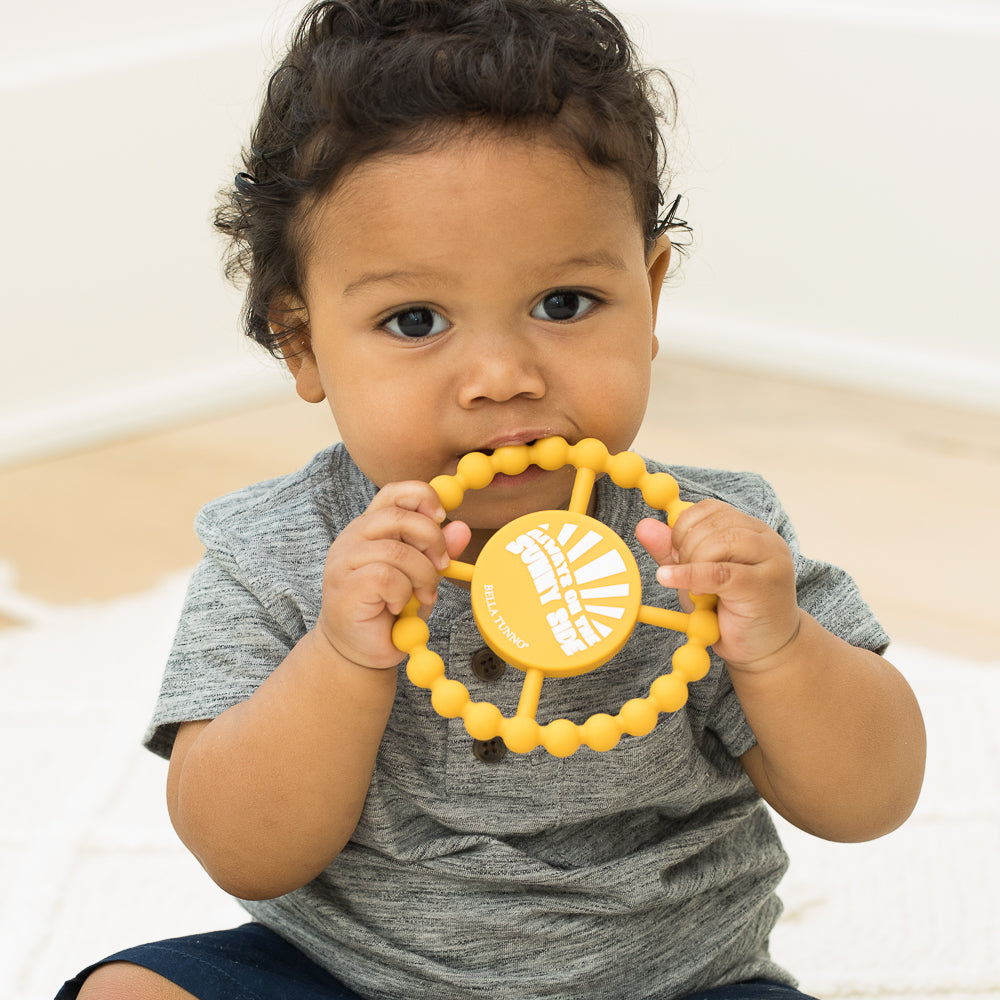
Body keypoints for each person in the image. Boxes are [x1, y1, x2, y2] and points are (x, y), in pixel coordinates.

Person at [58, 1, 926, 998]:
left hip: (670, 978)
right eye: (416, 319)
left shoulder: (710, 547)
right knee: (127, 991)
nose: (501, 374)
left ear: (648, 295)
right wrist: (342, 657)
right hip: (352, 973)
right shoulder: (279, 551)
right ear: (302, 343)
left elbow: (871, 799)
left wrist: (776, 646)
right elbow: (243, 850)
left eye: (563, 304)